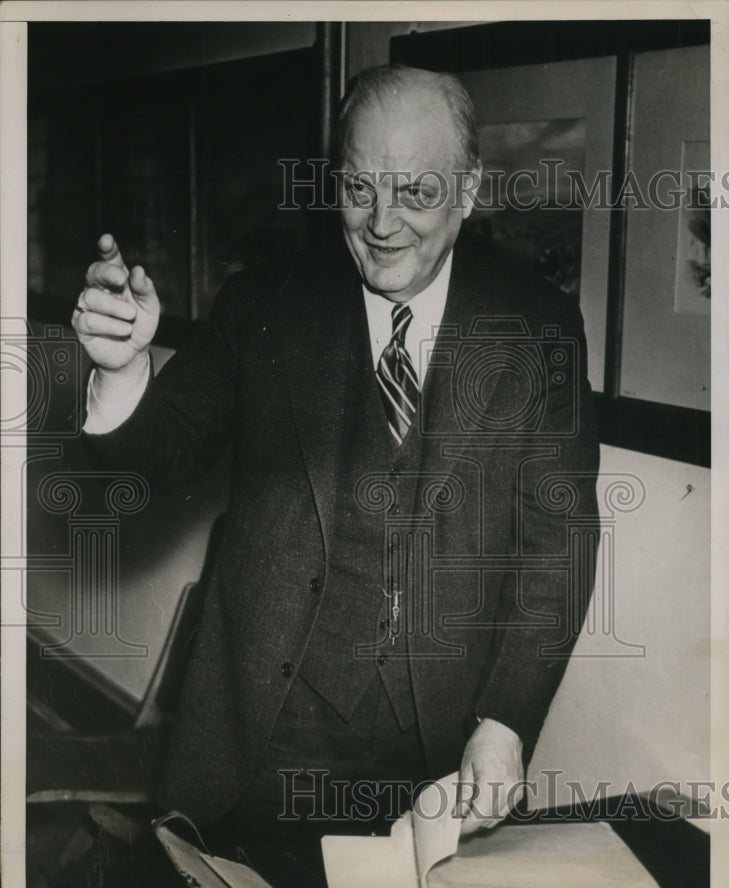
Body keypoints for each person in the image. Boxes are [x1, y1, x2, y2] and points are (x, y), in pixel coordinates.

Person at [72, 65, 600, 846]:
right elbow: (143, 469)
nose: (381, 222)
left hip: (442, 749)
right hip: (266, 734)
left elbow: (554, 547)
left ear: (468, 189)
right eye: (359, 188)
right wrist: (119, 376)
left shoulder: (539, 325)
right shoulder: (262, 305)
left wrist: (505, 724)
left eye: (415, 193)